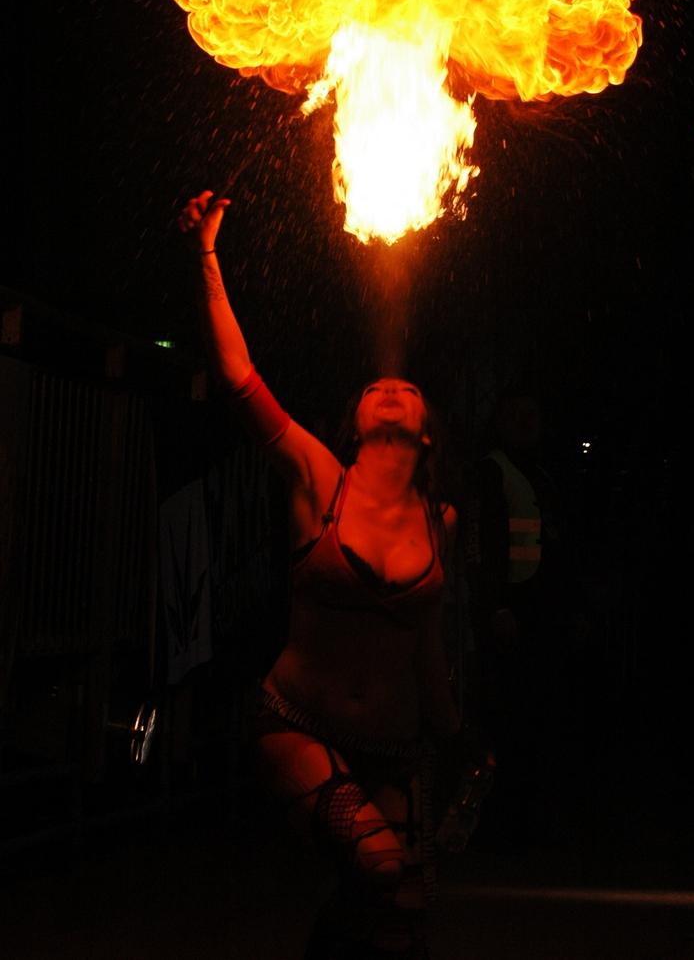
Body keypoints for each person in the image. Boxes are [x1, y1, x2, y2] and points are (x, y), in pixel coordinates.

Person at [178, 190, 463, 960]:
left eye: (406, 390)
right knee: (378, 864)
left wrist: (456, 736)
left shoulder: (440, 521)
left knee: (402, 908)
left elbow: (426, 643)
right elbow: (238, 376)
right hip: (298, 724)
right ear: (355, 423)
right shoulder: (319, 478)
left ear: (426, 434)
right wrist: (206, 254)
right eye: (374, 390)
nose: (390, 387)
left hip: (395, 742)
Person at [466, 383, 591, 854]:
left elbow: (561, 548)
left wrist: (573, 610)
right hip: (513, 614)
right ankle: (504, 825)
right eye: (515, 414)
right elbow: (479, 548)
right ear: (500, 422)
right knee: (510, 720)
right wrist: (494, 606)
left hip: (543, 615)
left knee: (542, 719)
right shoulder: (490, 472)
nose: (525, 422)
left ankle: (534, 821)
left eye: (531, 413)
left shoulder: (542, 476)